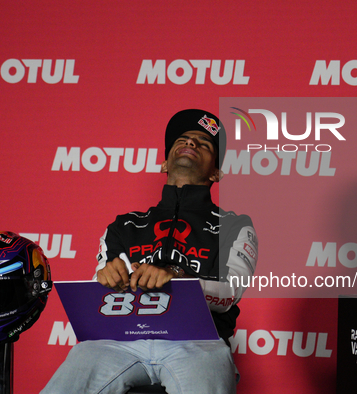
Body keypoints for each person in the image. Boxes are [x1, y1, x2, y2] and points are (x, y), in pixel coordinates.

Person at [42, 109, 258, 394]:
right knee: (75, 368)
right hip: (119, 339)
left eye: (204, 144)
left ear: (217, 172)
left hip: (198, 342)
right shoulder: (123, 225)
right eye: (183, 139)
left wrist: (177, 278)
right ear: (164, 163)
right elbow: (99, 289)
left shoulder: (235, 226)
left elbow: (230, 294)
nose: (191, 143)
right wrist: (106, 279)